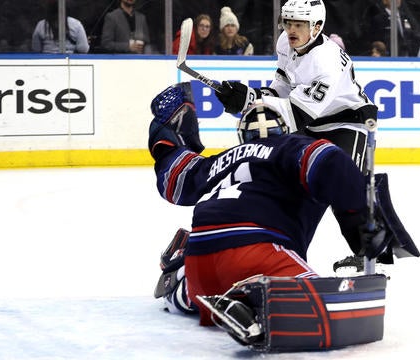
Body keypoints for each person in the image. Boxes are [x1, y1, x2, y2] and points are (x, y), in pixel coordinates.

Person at [147, 83, 389, 331]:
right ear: (285, 130)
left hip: (201, 259)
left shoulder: (220, 160)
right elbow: (331, 161)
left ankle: (181, 278)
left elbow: (174, 179)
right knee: (324, 306)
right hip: (256, 252)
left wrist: (166, 132)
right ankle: (252, 302)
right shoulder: (293, 146)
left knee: (203, 290)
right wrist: (360, 220)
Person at [215, 0, 377, 173]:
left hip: (347, 122)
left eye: (299, 24)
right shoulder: (285, 42)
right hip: (312, 123)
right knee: (292, 180)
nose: (291, 30)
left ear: (316, 27)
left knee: (343, 184)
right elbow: (283, 88)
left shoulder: (327, 62)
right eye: (288, 22)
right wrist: (251, 96)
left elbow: (297, 114)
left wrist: (252, 103)